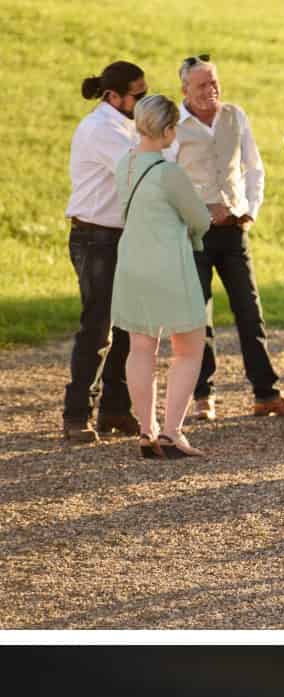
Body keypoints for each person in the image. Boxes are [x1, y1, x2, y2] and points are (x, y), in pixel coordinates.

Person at [176, 58, 284, 422]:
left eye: (214, 82)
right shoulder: (175, 125)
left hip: (234, 231)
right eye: (202, 85)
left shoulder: (235, 115)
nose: (211, 90)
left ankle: (266, 394)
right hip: (193, 234)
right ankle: (204, 396)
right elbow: (169, 179)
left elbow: (254, 168)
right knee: (198, 316)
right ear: (185, 89)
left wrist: (250, 209)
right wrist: (202, 211)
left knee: (250, 312)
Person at [110, 95, 211, 461]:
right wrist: (194, 234)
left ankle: (146, 430)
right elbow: (200, 218)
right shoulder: (169, 172)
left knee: (141, 347)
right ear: (167, 130)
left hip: (131, 264)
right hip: (169, 265)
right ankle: (171, 432)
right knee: (189, 348)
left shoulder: (124, 164)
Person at [63, 61, 147, 445]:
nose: (143, 101)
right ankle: (76, 414)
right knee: (97, 327)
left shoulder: (125, 125)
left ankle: (115, 408)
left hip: (122, 236)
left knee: (126, 326)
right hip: (96, 237)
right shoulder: (100, 129)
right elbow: (138, 169)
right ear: (113, 96)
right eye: (138, 95)